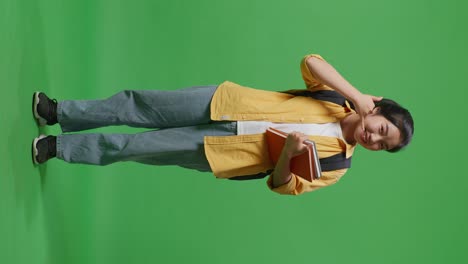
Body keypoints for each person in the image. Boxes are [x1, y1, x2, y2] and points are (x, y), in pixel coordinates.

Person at [31, 54, 414, 195]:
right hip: (224, 102)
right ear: (377, 110)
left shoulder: (337, 167)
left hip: (223, 152)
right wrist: (358, 94)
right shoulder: (337, 98)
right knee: (138, 105)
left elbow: (282, 186)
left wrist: (290, 157)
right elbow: (311, 62)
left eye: (383, 145)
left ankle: (58, 149)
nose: (374, 139)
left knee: (136, 148)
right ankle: (59, 112)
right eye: (381, 129)